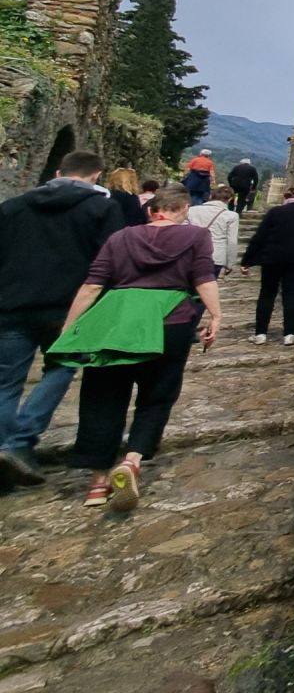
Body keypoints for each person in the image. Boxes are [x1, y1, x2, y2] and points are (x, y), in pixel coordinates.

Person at [50, 184, 221, 510]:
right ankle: (132, 459)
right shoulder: (196, 236)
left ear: (150, 210)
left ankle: (98, 482)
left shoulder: (121, 237)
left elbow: (93, 284)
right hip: (170, 321)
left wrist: (69, 327)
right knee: (158, 394)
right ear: (183, 209)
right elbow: (203, 278)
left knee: (101, 394)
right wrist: (215, 315)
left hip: (117, 322)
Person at [0, 150, 123, 489]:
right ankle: (19, 442)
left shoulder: (14, 206)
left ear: (57, 172)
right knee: (62, 368)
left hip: (11, 304)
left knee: (6, 381)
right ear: (96, 176)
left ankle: (4, 445)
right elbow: (109, 263)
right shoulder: (102, 208)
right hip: (69, 308)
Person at [240, 187, 294, 346]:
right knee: (291, 293)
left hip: (272, 258)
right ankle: (289, 334)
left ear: (286, 198)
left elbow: (259, 237)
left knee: (267, 293)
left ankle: (260, 334)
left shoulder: (275, 212)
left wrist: (247, 261)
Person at [188, 189, 240, 275]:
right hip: (215, 256)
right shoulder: (232, 216)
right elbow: (232, 241)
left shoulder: (191, 210)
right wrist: (230, 263)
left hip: (191, 253)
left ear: (211, 196)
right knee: (208, 285)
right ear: (230, 199)